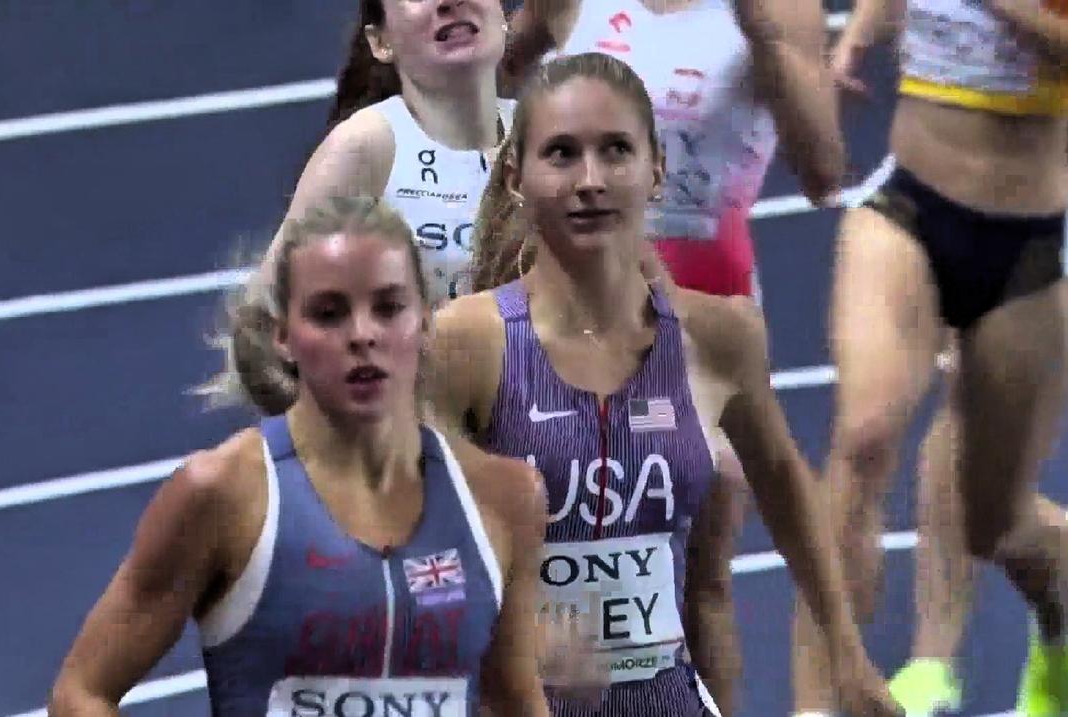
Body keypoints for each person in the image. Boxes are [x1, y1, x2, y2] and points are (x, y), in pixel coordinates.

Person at [426, 51, 899, 716]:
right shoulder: (467, 342)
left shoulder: (719, 336)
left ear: (655, 169)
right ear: (516, 176)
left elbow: (786, 484)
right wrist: (516, 633)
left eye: (615, 151)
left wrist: (847, 654)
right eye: (561, 154)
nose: (591, 179)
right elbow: (405, 533)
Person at [48, 196, 553, 716]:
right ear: (283, 336)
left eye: (388, 308)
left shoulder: (503, 497)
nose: (362, 335)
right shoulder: (224, 495)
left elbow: (513, 701)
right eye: (329, 314)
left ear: (425, 322)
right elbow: (81, 692)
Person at [498, 1, 845, 710]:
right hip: (561, 307)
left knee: (698, 573)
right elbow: (493, 80)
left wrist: (765, 38)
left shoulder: (778, 9)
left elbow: (823, 173)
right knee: (549, 558)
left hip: (702, 318)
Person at [791, 0, 1068, 714]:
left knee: (994, 522)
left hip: (1028, 246)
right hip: (907, 203)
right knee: (863, 439)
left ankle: (1059, 606)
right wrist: (855, 40)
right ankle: (817, 703)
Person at [279, 0, 515, 310]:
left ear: (501, 12)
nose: (448, 1)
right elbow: (269, 310)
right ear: (380, 42)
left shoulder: (546, 131)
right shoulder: (364, 144)